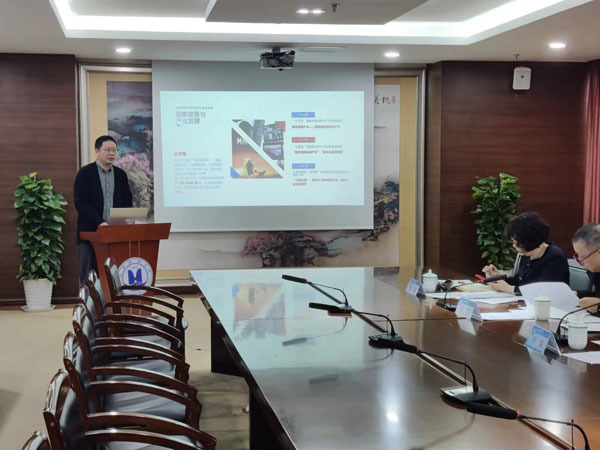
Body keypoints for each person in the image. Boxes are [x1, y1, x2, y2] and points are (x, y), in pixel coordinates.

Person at [74, 136, 132, 285]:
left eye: (114, 150)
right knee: (90, 276)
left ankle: (113, 300)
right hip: (90, 233)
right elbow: (80, 203)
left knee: (114, 276)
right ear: (97, 151)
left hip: (115, 234)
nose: (111, 153)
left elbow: (127, 202)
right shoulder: (85, 173)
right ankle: (89, 300)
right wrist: (100, 222)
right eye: (107, 150)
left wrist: (126, 219)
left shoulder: (120, 175)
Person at [482, 212, 569, 294]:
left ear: (528, 240)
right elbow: (519, 282)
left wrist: (509, 288)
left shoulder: (554, 257)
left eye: (516, 242)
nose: (513, 246)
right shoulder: (527, 255)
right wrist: (498, 277)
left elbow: (543, 292)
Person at [572, 223, 600, 313]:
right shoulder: (594, 270)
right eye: (577, 255)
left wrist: (598, 307)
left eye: (583, 257)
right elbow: (597, 296)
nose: (581, 262)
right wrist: (577, 294)